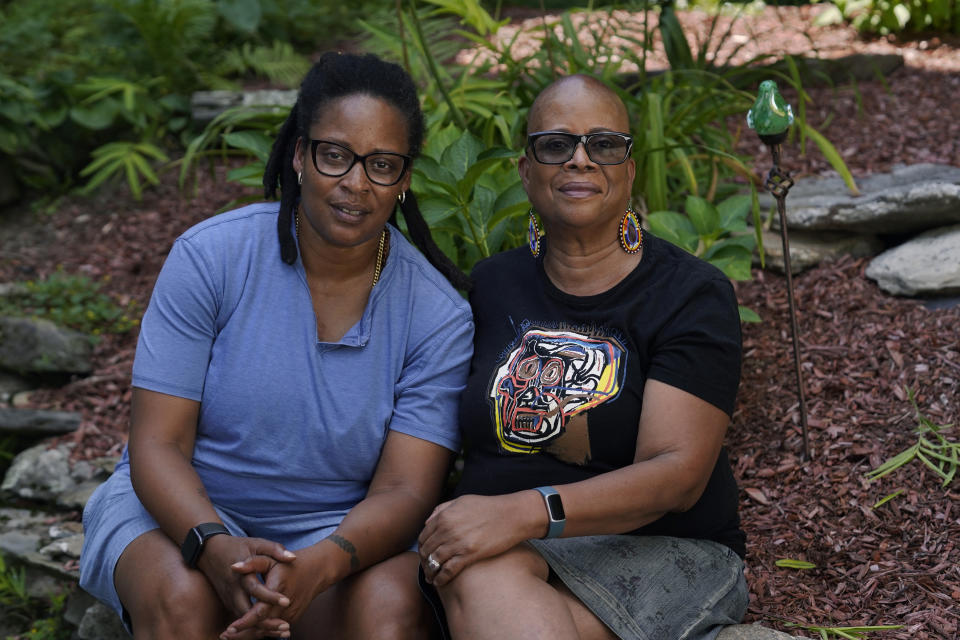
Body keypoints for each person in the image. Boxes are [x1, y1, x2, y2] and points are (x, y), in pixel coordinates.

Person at [79, 51, 474, 640]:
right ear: (299, 155)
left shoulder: (436, 314)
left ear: (405, 178)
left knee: (388, 612)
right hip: (182, 512)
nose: (356, 183)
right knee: (185, 599)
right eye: (335, 155)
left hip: (338, 533)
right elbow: (158, 443)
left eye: (383, 164)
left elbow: (405, 489)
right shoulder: (210, 257)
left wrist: (322, 563)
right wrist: (212, 545)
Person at [416, 74, 748, 640]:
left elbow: (675, 478)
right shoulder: (493, 286)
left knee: (480, 582)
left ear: (628, 168)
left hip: (653, 550)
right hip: (499, 549)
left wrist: (520, 512)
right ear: (526, 171)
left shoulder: (688, 293)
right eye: (555, 144)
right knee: (475, 580)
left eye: (604, 144)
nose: (580, 160)